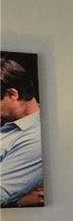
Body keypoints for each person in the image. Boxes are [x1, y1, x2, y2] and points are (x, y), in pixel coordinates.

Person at [0, 56, 44, 207]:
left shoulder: (36, 138)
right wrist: (20, 200)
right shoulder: (6, 123)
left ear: (12, 95)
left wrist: (15, 202)